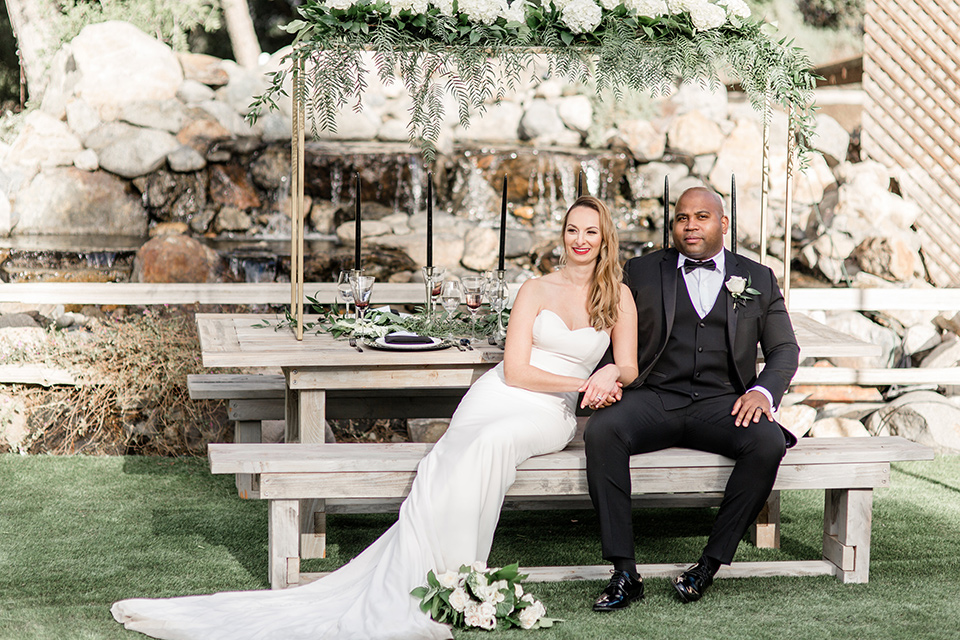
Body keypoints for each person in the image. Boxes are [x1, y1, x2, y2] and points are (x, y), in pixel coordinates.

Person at [111, 195, 639, 640]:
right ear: (562, 235)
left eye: (590, 231)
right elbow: (519, 369)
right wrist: (585, 380)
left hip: (549, 414)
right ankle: (451, 580)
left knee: (492, 446)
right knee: (451, 459)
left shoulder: (618, 295)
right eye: (572, 229)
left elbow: (631, 365)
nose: (580, 239)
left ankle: (458, 576)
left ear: (604, 237)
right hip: (502, 393)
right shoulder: (535, 289)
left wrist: (609, 372)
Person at [585, 186, 799, 611]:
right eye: (683, 218)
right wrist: (609, 374)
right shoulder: (642, 271)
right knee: (602, 431)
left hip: (723, 402)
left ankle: (708, 565)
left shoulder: (757, 277)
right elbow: (610, 327)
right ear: (673, 226)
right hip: (657, 396)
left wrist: (762, 391)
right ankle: (624, 571)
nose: (691, 225)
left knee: (768, 442)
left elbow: (784, 350)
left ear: (723, 224)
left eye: (702, 217)